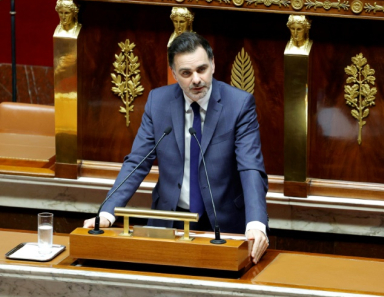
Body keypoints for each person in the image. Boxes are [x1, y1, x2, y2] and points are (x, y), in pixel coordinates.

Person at [84, 32, 269, 264]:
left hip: (224, 222)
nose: (196, 79)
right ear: (174, 74)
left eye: (202, 69)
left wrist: (256, 224)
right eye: (186, 73)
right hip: (169, 219)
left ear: (213, 64)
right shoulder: (158, 102)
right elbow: (137, 162)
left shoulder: (239, 104)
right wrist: (107, 212)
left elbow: (250, 167)